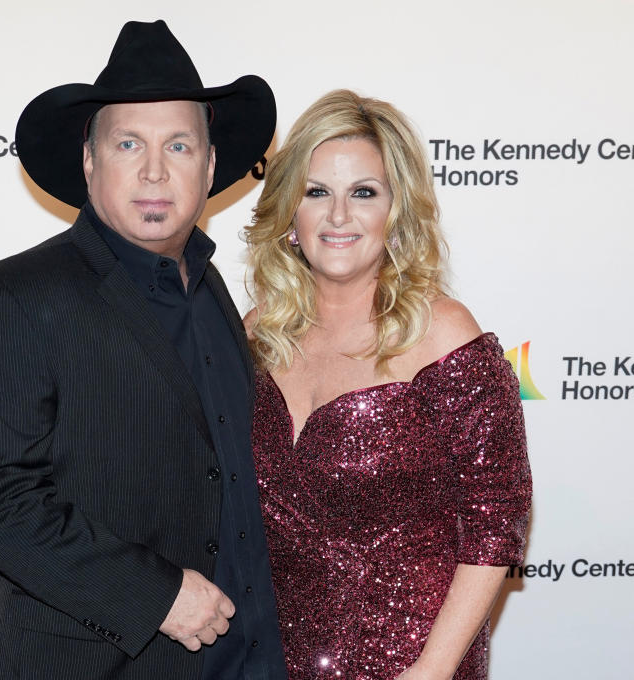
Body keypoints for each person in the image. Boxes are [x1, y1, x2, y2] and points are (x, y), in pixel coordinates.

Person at [0, 20, 286, 680]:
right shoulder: (10, 296)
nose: (155, 169)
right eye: (129, 143)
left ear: (210, 166)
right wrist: (157, 595)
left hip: (243, 660)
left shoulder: (210, 287)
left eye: (179, 145)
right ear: (90, 161)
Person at [244, 89, 532, 680]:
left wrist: (432, 670)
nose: (339, 216)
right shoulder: (255, 337)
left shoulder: (441, 332)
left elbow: (496, 519)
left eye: (364, 193)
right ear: (290, 213)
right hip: (270, 660)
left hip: (410, 663)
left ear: (395, 211)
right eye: (317, 191)